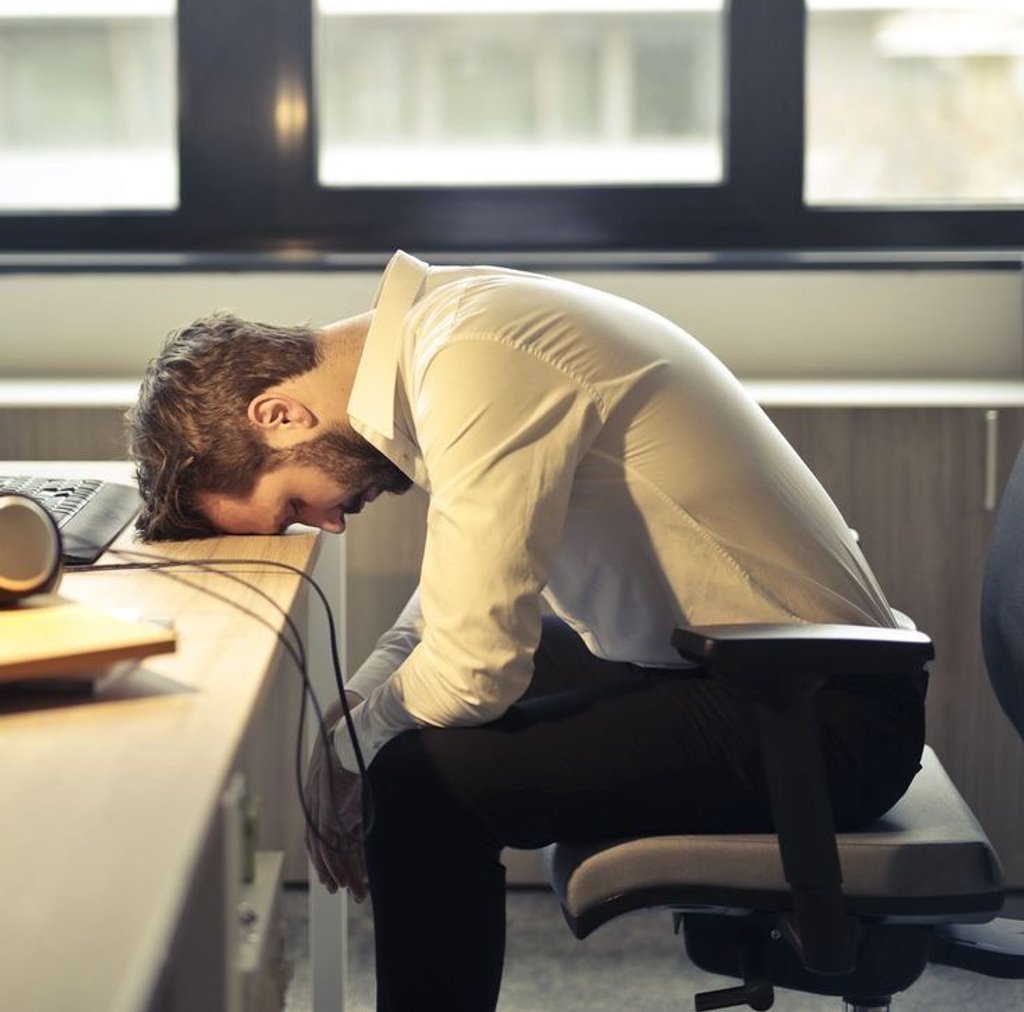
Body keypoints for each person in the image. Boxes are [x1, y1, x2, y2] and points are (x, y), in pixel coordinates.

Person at [129, 250, 926, 1012]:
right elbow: (460, 600)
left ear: (277, 413)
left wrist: (349, 755)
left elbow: (473, 668)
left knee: (417, 783)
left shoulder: (478, 357)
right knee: (399, 741)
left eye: (294, 505)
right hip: (737, 667)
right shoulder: (448, 333)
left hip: (821, 715)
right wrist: (350, 719)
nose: (327, 525)